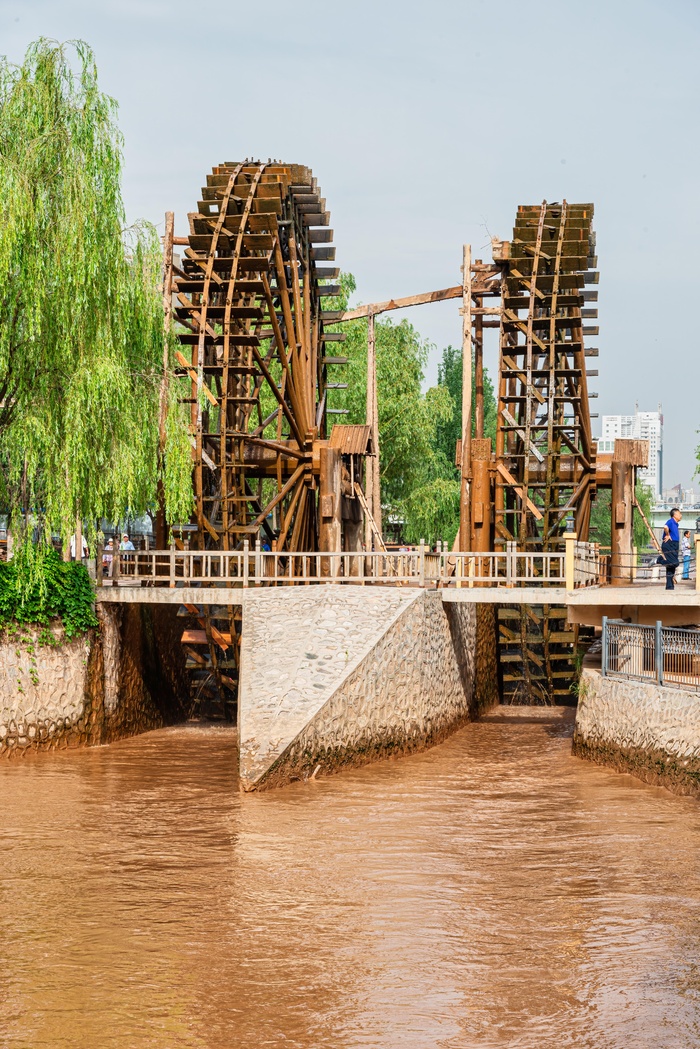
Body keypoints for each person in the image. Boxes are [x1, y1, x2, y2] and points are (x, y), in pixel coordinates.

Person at [660, 508, 682, 590]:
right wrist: (668, 534)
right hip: (669, 544)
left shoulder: (676, 524)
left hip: (674, 545)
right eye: (679, 514)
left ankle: (669, 586)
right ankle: (658, 559)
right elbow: (665, 527)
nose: (681, 515)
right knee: (675, 563)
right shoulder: (671, 521)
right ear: (675, 515)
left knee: (671, 567)